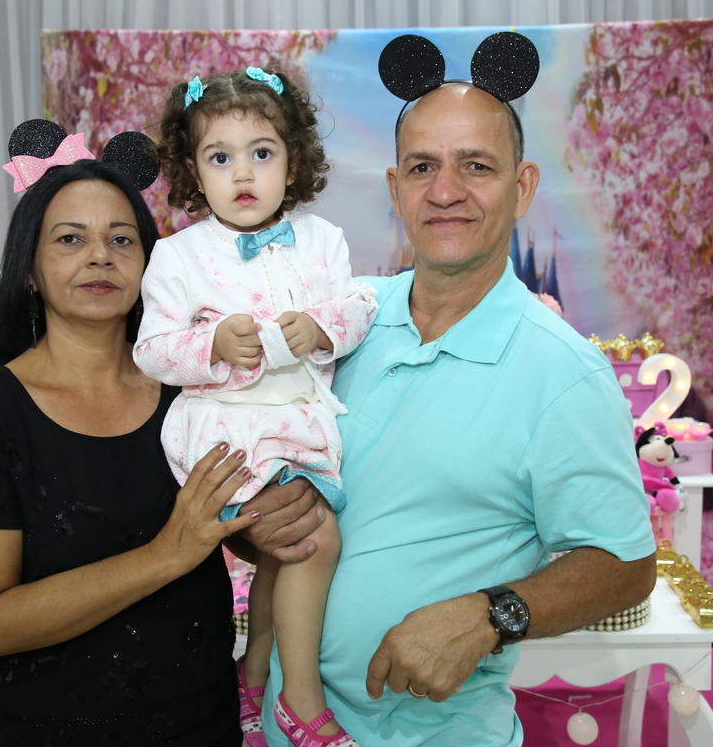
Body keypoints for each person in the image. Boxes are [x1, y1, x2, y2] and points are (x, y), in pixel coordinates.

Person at [261, 40, 657, 747]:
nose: (445, 191)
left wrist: (488, 616)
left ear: (523, 187)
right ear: (395, 189)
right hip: (287, 729)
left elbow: (625, 567)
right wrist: (255, 525)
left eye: (476, 165)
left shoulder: (563, 373)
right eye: (423, 167)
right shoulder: (336, 325)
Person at [0, 121, 324, 746]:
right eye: (70, 239)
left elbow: (233, 528)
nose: (100, 256)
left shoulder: (193, 390)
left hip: (200, 723)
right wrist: (166, 554)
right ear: (29, 269)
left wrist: (270, 522)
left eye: (122, 239)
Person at [134, 67, 377, 747]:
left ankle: (255, 670)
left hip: (298, 420)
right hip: (228, 430)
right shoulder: (178, 256)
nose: (243, 173)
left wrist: (322, 328)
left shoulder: (322, 239)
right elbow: (151, 350)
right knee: (313, 541)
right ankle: (300, 698)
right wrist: (211, 344)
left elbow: (361, 305)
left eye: (261, 153)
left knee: (282, 553)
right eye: (220, 157)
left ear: (292, 160)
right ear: (193, 169)